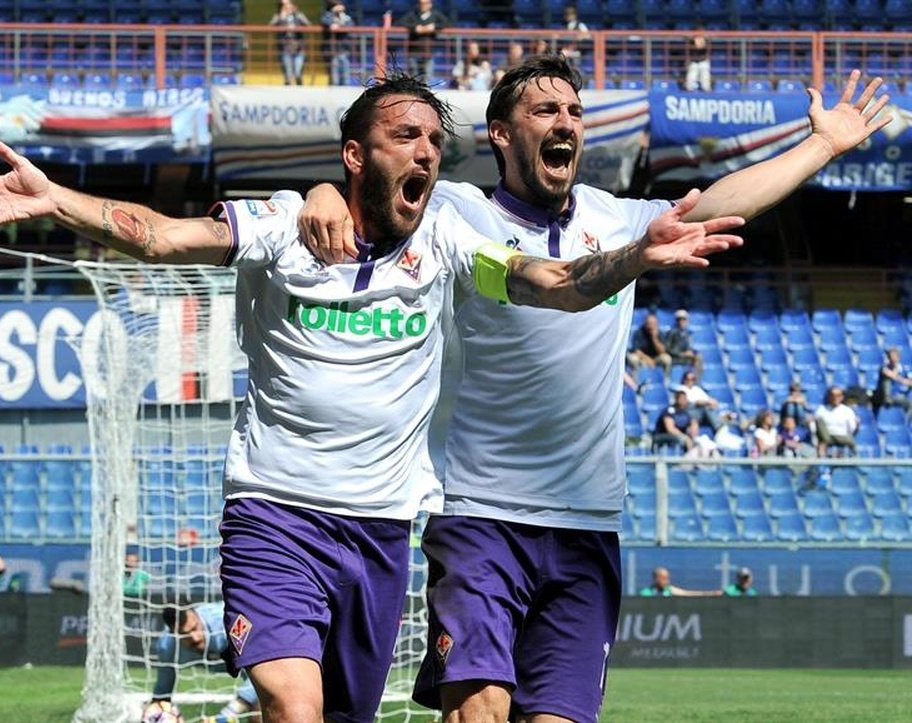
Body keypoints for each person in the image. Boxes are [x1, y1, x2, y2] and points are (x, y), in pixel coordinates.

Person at [0, 74, 738, 723]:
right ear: (356, 155)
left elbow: (556, 285)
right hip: (275, 513)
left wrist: (637, 252)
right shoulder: (283, 224)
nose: (427, 152)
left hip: (382, 532)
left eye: (435, 140)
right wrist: (58, 202)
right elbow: (160, 235)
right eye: (406, 137)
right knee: (294, 704)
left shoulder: (451, 243)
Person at [298, 58, 890, 723]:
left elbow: (725, 199)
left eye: (575, 113)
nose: (566, 124)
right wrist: (322, 191)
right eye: (545, 112)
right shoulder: (456, 213)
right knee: (479, 709)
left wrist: (823, 145)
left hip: (586, 526)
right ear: (500, 133)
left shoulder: (622, 218)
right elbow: (379, 190)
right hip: (478, 512)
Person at [150, 603, 259, 721]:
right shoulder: (168, 647)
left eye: (195, 628)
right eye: (185, 634)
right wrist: (157, 713)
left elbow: (263, 667)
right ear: (173, 634)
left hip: (263, 652)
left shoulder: (229, 622)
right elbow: (162, 692)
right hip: (232, 662)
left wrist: (227, 715)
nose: (195, 638)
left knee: (262, 708)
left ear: (197, 616)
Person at [400, 0, 449, 84]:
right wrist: (415, 28)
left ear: (430, 4)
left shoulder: (436, 14)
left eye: (425, 3)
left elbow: (448, 23)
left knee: (427, 79)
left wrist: (434, 27)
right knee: (413, 78)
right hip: (413, 52)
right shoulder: (413, 14)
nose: (423, 5)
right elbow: (400, 22)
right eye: (421, 3)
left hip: (428, 52)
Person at [270, 0, 311, 86]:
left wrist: (298, 14)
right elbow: (271, 26)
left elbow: (308, 24)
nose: (287, 6)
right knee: (288, 75)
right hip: (285, 48)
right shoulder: (278, 15)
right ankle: (288, 95)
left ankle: (300, 92)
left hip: (299, 48)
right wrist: (281, 17)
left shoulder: (298, 15)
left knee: (298, 73)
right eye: (284, 5)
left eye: (289, 4)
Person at [814, 385, 859, 457]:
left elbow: (852, 429)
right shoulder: (821, 410)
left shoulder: (847, 411)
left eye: (838, 395)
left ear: (842, 397)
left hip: (842, 436)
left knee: (850, 441)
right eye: (833, 395)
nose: (835, 398)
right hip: (825, 437)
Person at [653, 388, 699, 453]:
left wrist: (694, 435)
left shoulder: (685, 412)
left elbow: (693, 423)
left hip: (679, 436)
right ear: (677, 399)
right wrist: (685, 438)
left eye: (685, 398)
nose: (684, 400)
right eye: (682, 398)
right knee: (683, 440)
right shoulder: (669, 410)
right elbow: (670, 429)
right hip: (663, 435)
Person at [321, 1, 354, 87]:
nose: (341, 7)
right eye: (338, 6)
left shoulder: (345, 17)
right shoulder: (327, 15)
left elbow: (350, 25)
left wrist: (339, 24)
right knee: (334, 77)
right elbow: (325, 21)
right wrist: (333, 13)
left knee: (345, 75)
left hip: (343, 49)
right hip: (332, 50)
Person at [872, 347, 912, 414]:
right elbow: (890, 375)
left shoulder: (904, 369)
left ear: (898, 358)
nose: (892, 359)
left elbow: (910, 382)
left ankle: (906, 423)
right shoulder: (884, 367)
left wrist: (899, 378)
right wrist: (901, 379)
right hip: (882, 396)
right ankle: (887, 399)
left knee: (910, 404)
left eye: (894, 357)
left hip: (897, 396)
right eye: (890, 357)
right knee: (886, 380)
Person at [639, 566, 721, 597]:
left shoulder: (669, 590)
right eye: (664, 579)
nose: (667, 581)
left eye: (668, 578)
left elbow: (687, 594)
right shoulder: (645, 593)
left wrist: (712, 593)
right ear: (656, 579)